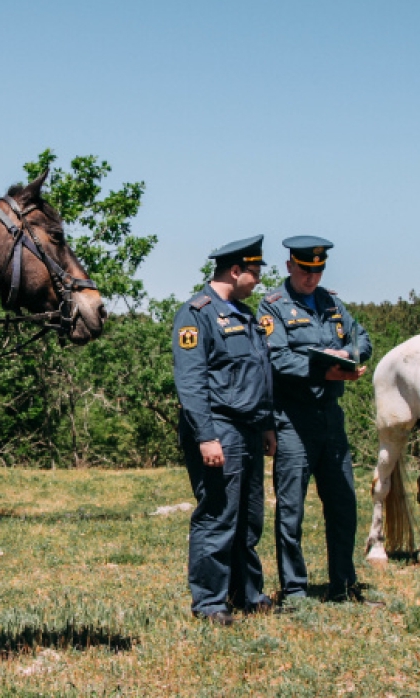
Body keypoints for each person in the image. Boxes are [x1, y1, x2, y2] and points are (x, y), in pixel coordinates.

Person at [257, 236, 375, 606]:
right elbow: (276, 359)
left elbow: (363, 339)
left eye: (318, 270)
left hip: (331, 420)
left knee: (343, 504)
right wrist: (326, 371)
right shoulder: (273, 307)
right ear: (290, 266)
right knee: (291, 510)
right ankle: (294, 591)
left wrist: (347, 354)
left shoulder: (331, 302)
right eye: (306, 270)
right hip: (293, 419)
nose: (312, 277)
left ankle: (343, 585)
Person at [172, 235, 277, 626]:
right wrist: (206, 435)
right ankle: (210, 603)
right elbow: (191, 381)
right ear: (235, 271)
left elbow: (260, 374)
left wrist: (266, 424)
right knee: (217, 515)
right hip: (219, 426)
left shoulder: (246, 315)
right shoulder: (196, 314)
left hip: (250, 428)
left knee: (248, 519)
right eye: (255, 272)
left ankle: (247, 593)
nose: (258, 280)